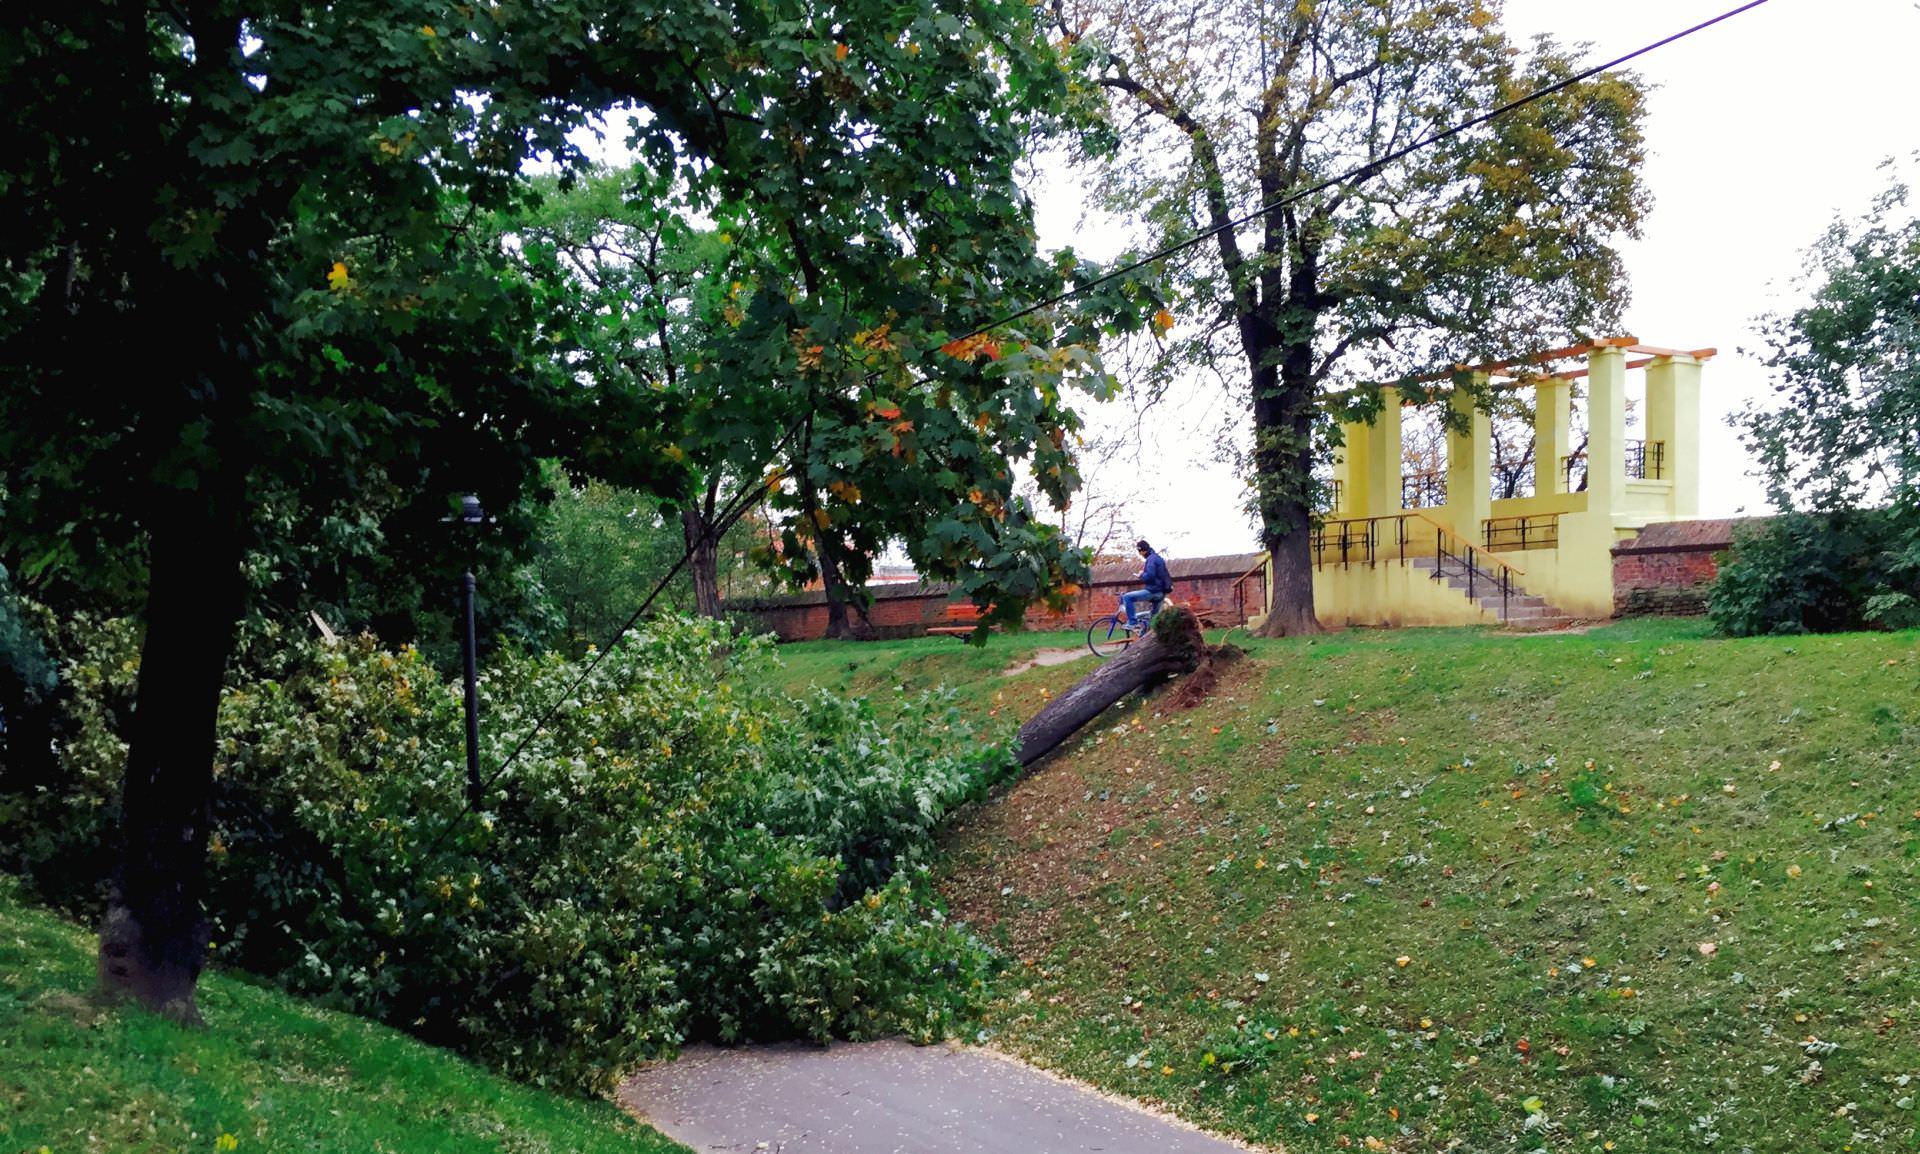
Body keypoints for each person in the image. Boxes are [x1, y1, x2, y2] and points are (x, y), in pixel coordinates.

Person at [1120, 539, 1172, 630]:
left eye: (1139, 552)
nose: (1140, 554)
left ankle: (1132, 623)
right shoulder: (1157, 558)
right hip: (1161, 592)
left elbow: (1150, 576)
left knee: (1127, 597)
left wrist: (1141, 575)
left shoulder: (1151, 559)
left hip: (1154, 591)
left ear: (1142, 550)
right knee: (1153, 621)